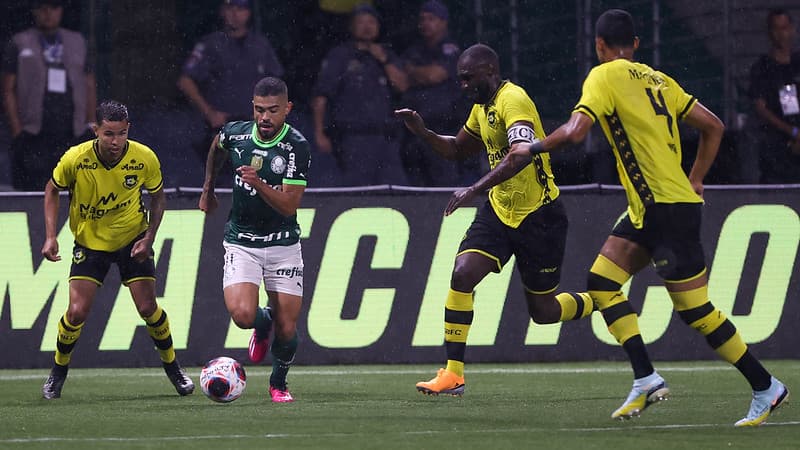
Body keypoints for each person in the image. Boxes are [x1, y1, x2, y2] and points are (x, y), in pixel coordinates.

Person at [445, 9, 789, 426]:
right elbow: (713, 126)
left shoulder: (604, 75)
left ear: (599, 46)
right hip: (651, 208)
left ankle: (765, 385)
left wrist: (532, 149)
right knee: (602, 282)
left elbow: (574, 133)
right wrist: (695, 179)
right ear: (637, 45)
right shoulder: (661, 80)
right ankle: (645, 377)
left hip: (664, 210)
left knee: (695, 310)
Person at [395, 43, 594, 397]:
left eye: (468, 78)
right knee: (462, 274)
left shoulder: (512, 100)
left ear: (489, 71)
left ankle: (602, 300)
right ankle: (453, 374)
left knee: (544, 312)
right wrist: (424, 133)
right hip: (501, 211)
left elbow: (520, 157)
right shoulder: (481, 108)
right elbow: (457, 148)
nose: (464, 85)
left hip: (540, 216)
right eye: (460, 80)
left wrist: (473, 189)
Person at [40, 100, 194, 399]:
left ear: (128, 130)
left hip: (132, 240)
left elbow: (159, 199)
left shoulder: (143, 157)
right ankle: (57, 372)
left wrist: (149, 238)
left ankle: (174, 368)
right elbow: (51, 189)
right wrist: (50, 236)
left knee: (148, 308)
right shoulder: (76, 158)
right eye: (108, 133)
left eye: (121, 133)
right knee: (76, 312)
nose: (115, 141)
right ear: (95, 129)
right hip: (90, 243)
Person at [199, 77, 310, 403]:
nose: (265, 117)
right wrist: (208, 187)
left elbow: (290, 204)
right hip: (242, 241)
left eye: (273, 111)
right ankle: (263, 325)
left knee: (288, 329)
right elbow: (217, 146)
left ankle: (279, 384)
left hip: (283, 245)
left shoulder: (295, 146)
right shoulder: (236, 133)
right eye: (259, 110)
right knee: (243, 316)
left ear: (287, 109)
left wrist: (258, 182)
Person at [177, 0, 284, 181]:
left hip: (255, 128)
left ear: (248, 13)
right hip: (222, 127)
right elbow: (185, 81)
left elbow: (277, 84)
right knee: (221, 185)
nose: (235, 13)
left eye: (240, 9)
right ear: (222, 11)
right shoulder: (211, 44)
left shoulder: (260, 45)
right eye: (230, 8)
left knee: (258, 183)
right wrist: (209, 112)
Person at [1, 0, 96, 191]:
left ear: (60, 11)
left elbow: (89, 83)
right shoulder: (20, 42)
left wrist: (90, 122)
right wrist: (18, 130)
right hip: (33, 133)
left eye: (53, 8)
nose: (48, 13)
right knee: (33, 192)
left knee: (76, 190)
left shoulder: (77, 41)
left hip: (72, 131)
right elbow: (7, 89)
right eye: (42, 9)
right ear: (35, 11)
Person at [311, 4, 409, 186]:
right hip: (354, 139)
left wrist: (384, 60)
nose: (367, 26)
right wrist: (319, 133)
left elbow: (402, 85)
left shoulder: (387, 55)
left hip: (386, 138)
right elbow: (321, 97)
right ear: (352, 26)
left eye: (371, 22)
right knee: (359, 191)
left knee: (394, 190)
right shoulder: (340, 56)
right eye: (361, 22)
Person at [399, 0, 479, 186]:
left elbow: (436, 75)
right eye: (422, 19)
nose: (425, 23)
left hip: (444, 128)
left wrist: (414, 72)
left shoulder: (451, 49)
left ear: (443, 22)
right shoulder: (414, 50)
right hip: (416, 130)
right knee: (416, 186)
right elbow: (401, 81)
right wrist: (419, 73)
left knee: (444, 183)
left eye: (431, 19)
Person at [747, 8, 800, 184]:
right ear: (770, 32)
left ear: (792, 29)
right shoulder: (762, 67)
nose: (781, 34)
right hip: (775, 148)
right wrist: (792, 132)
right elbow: (760, 108)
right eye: (776, 29)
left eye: (785, 28)